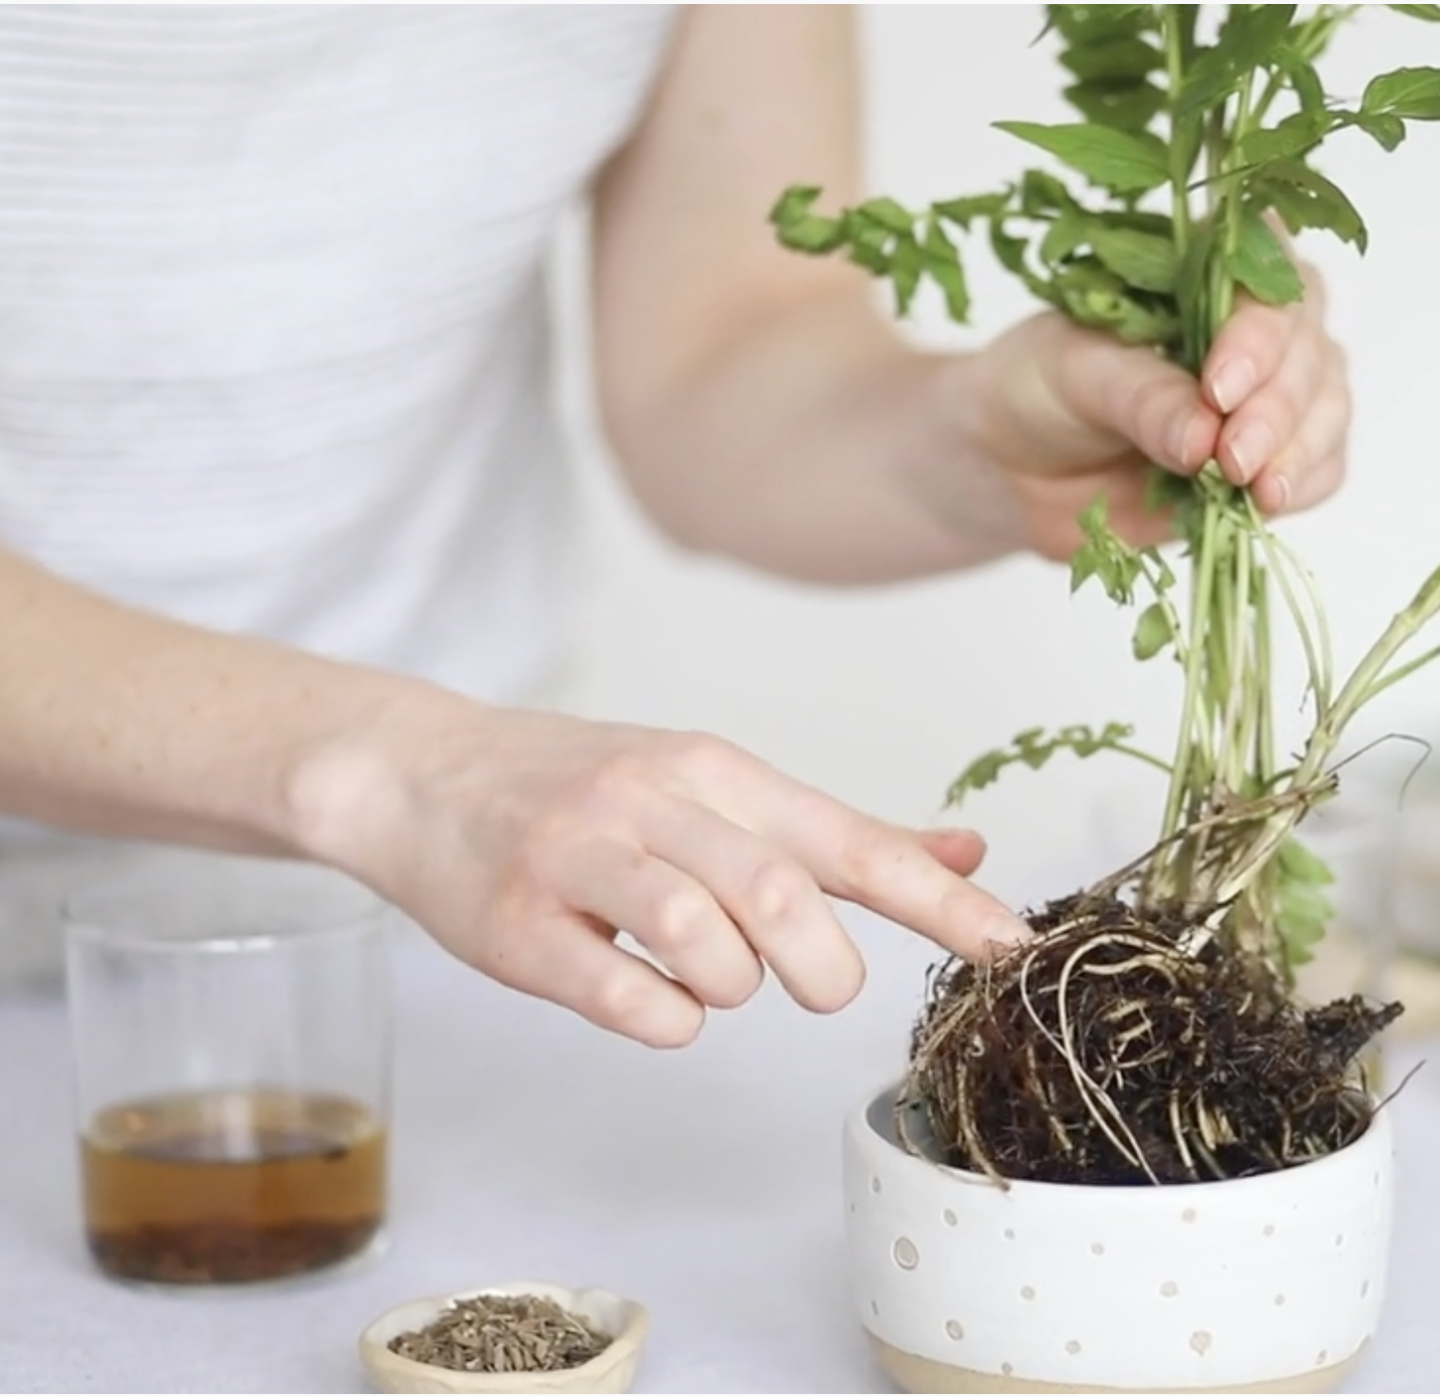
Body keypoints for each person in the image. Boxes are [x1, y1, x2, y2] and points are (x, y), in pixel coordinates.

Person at [0, 7, 1349, 1045]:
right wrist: (399, 774)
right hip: (410, 818)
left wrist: (974, 448)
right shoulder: (414, 778)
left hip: (427, 949)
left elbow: (726, 346)